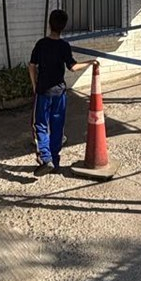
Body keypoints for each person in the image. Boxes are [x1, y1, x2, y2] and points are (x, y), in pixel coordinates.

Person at [28, 9, 97, 175]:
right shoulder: (64, 46)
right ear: (63, 27)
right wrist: (91, 62)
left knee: (40, 125)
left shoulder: (41, 44)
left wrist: (34, 85)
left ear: (49, 24)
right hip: (59, 92)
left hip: (43, 91)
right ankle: (55, 161)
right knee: (57, 126)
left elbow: (32, 65)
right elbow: (73, 67)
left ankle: (45, 158)